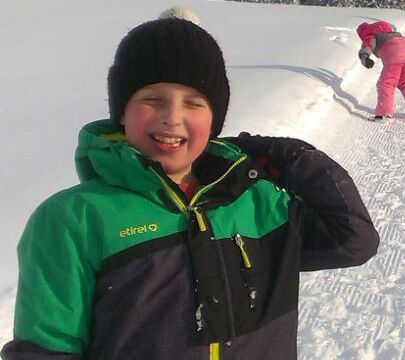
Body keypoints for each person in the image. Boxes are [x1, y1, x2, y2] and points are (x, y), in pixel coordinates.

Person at [1, 18, 379, 359]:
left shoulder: (256, 200)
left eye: (194, 103)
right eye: (152, 99)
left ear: (214, 121)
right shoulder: (73, 219)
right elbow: (45, 350)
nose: (172, 116)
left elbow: (353, 239)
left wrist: (290, 155)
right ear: (122, 112)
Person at [357, 21, 405, 120]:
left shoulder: (371, 35)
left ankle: (384, 114)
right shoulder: (396, 35)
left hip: (395, 56)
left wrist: (365, 56)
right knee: (403, 80)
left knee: (386, 83)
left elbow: (368, 45)